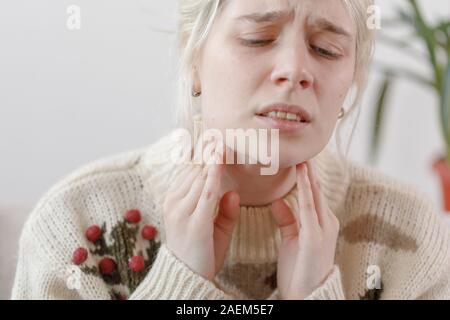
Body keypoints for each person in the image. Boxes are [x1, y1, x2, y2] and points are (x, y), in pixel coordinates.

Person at [12, 0, 450, 300]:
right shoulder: (75, 222)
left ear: (351, 82)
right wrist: (178, 285)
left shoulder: (407, 237)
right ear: (193, 56)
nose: (295, 70)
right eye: (259, 38)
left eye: (326, 49)